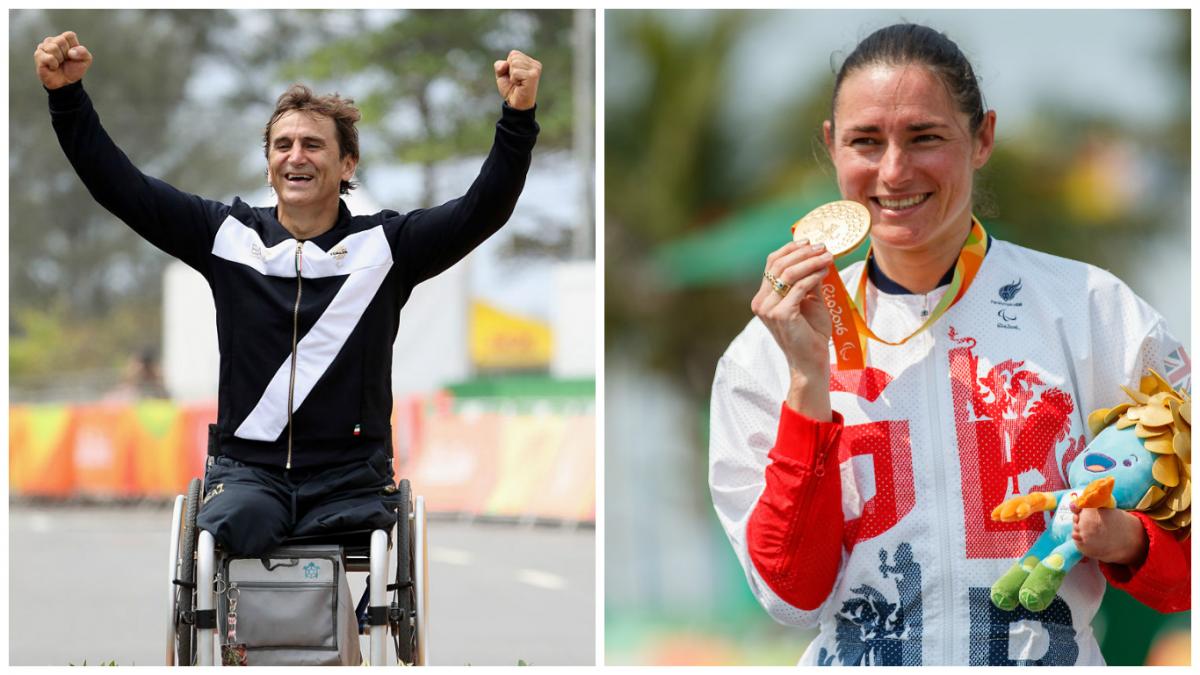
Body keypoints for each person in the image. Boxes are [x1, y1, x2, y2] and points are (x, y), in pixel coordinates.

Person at [708, 23, 1189, 666]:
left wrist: (1127, 540)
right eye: (865, 141)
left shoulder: (1094, 312)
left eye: (925, 136)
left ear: (983, 136)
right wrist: (805, 381)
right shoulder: (764, 350)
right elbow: (790, 595)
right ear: (832, 145)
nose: (894, 170)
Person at [37, 30, 542, 555]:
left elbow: (483, 208)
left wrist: (518, 119)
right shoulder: (226, 237)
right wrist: (66, 98)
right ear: (270, 165)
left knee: (363, 544)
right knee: (231, 532)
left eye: (313, 145)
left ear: (347, 165)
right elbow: (120, 185)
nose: (296, 156)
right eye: (283, 145)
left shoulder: (387, 248)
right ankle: (239, 638)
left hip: (352, 477)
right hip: (249, 474)